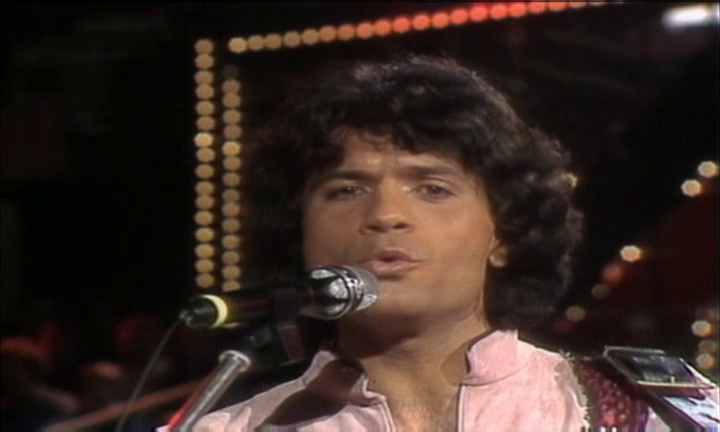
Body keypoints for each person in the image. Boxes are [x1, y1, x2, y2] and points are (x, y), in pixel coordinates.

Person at [170, 54, 714, 431]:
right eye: (346, 190)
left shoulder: (650, 415)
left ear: (504, 232)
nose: (385, 215)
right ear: (299, 234)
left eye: (432, 189)